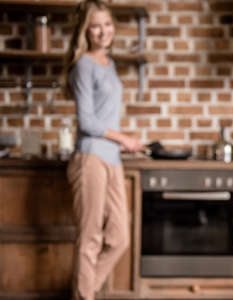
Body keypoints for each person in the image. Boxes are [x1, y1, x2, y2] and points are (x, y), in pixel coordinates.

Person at [64, 1, 145, 299]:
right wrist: (124, 138)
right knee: (90, 239)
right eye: (95, 25)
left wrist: (122, 143)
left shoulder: (108, 65)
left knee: (119, 237)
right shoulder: (83, 64)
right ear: (85, 30)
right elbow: (86, 121)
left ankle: (81, 293)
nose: (103, 31)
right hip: (90, 158)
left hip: (111, 158)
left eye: (107, 24)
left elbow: (103, 116)